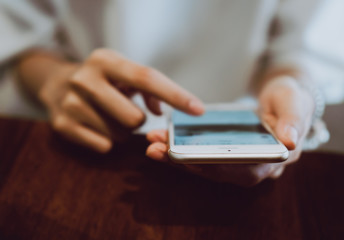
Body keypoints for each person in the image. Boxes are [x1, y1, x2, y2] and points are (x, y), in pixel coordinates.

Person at [0, 0, 343, 186]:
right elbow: (20, 29)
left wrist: (295, 88)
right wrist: (55, 80)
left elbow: (297, 47)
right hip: (90, 124)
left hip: (254, 115)